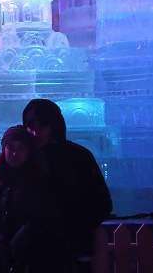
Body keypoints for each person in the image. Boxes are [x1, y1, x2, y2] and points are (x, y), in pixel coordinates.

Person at [22, 99, 112, 271]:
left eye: (43, 125)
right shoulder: (23, 158)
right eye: (30, 126)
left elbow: (102, 203)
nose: (35, 132)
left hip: (71, 253)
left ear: (54, 125)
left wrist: (74, 231)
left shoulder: (79, 157)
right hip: (33, 254)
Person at [0, 125, 58, 273]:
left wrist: (26, 234)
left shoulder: (39, 180)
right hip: (0, 258)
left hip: (33, 258)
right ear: (4, 149)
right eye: (10, 147)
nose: (15, 153)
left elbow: (44, 216)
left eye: (21, 148)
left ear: (28, 151)